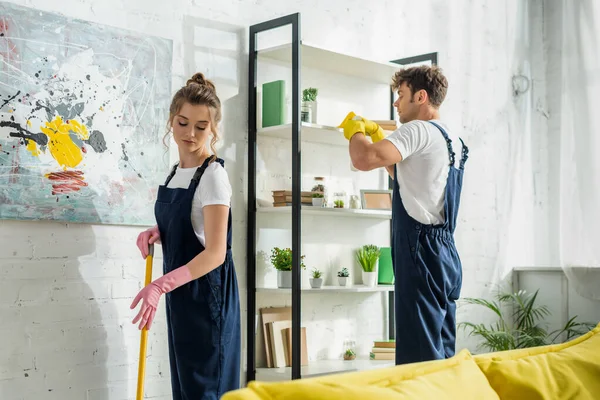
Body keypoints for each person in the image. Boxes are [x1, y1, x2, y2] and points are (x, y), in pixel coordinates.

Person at [338, 65, 469, 365]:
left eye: (401, 95)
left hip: (419, 252)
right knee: (441, 356)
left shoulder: (417, 130)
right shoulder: (452, 140)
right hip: (445, 253)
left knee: (418, 359)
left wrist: (356, 130)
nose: (396, 103)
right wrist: (378, 135)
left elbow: (363, 159)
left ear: (421, 97)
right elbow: (408, 177)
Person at [131, 72, 241, 399]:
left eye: (201, 127)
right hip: (182, 298)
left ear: (214, 129)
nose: (189, 133)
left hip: (207, 299)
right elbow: (194, 229)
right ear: (171, 120)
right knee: (186, 390)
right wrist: (159, 232)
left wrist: (158, 285)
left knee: (206, 390)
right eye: (182, 123)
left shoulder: (213, 177)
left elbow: (215, 252)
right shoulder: (176, 172)